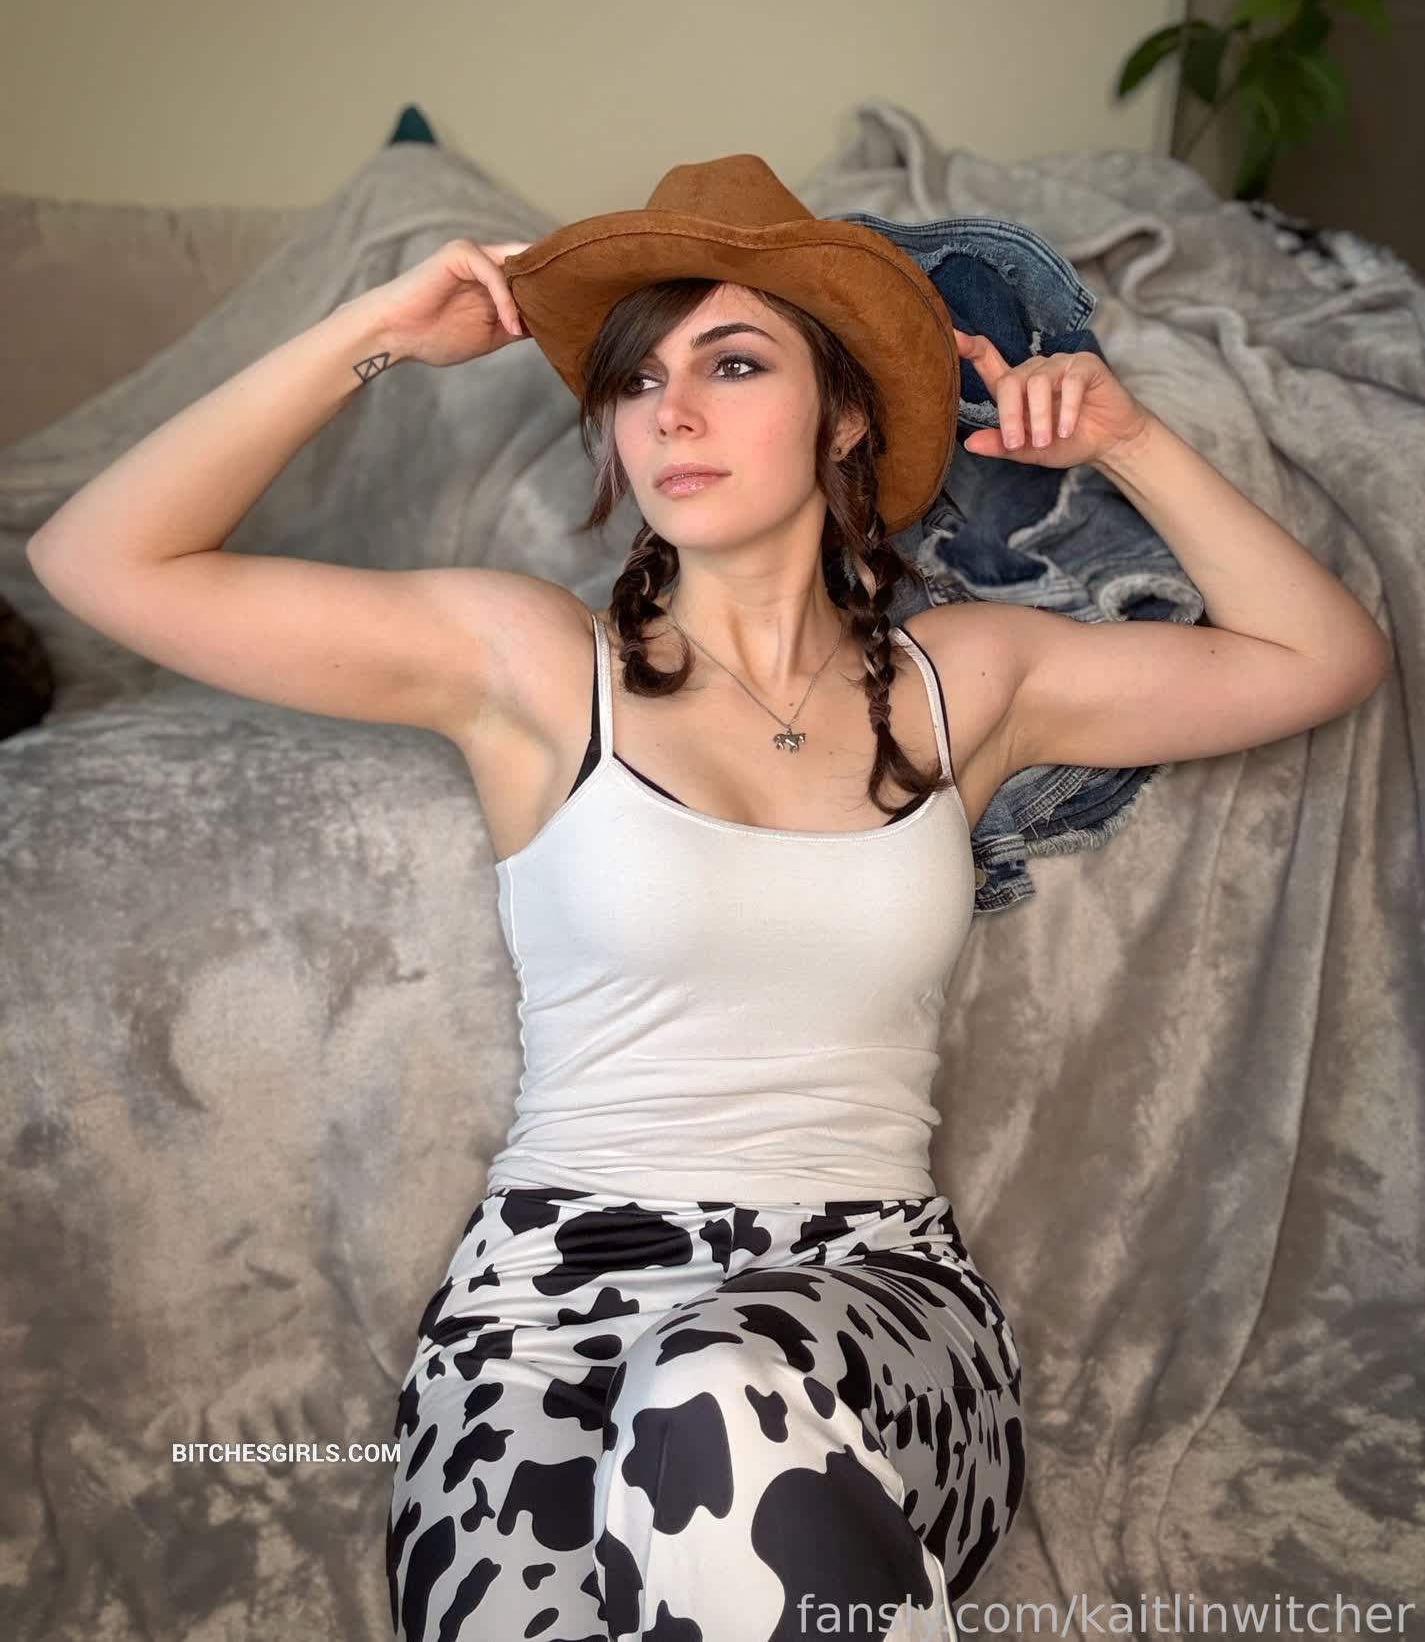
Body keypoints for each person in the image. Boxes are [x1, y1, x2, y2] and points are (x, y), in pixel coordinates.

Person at [26, 155, 1391, 1642]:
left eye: (732, 365)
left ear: (845, 414)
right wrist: (371, 333)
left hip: (867, 1303)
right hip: (549, 1315)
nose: (669, 412)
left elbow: (1315, 659)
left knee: (717, 1390)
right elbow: (94, 559)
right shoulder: (531, 667)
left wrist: (1129, 441)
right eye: (637, 380)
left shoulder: (966, 681)